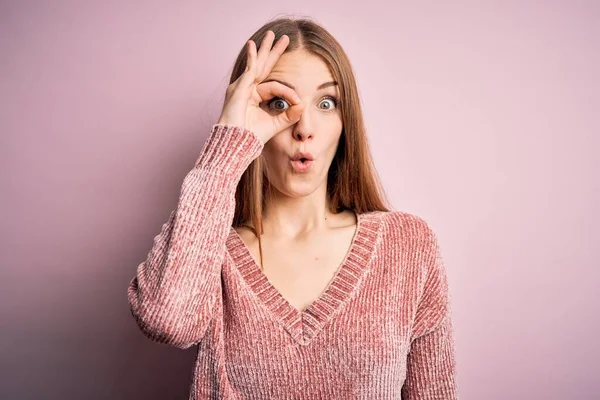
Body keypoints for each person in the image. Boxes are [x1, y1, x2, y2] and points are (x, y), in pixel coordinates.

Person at [127, 17, 458, 400]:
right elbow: (167, 321)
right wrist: (229, 143)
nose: (304, 127)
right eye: (279, 103)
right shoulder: (210, 252)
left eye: (327, 102)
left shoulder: (408, 245)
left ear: (345, 122)